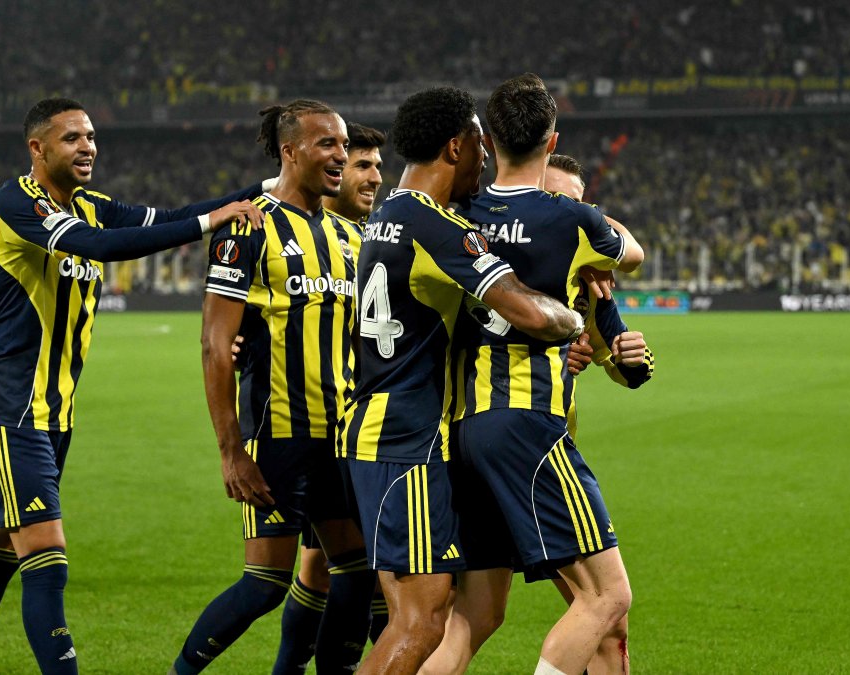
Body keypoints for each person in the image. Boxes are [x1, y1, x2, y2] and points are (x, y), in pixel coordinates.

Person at [0, 97, 268, 675]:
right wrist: (213, 222)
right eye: (72, 138)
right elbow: (97, 247)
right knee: (46, 556)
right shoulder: (16, 203)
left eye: (90, 137)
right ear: (37, 148)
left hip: (55, 411)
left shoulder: (92, 204)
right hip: (10, 405)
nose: (88, 147)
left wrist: (264, 189)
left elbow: (169, 216)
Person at [339, 85, 583, 675]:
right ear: (455, 146)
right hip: (404, 436)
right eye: (479, 144)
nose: (486, 158)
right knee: (421, 618)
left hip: (382, 428)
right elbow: (529, 313)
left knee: (429, 609)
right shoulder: (435, 225)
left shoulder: (389, 215)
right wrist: (575, 316)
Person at [429, 74, 642, 675]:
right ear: (553, 143)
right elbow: (634, 253)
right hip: (527, 426)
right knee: (607, 596)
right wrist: (590, 222)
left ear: (488, 140)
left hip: (463, 431)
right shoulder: (571, 220)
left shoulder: (453, 215)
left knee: (474, 615)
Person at [174, 99, 373, 675]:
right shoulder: (248, 226)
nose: (341, 156)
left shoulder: (348, 235)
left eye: (343, 145)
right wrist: (231, 450)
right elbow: (216, 343)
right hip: (278, 434)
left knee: (356, 578)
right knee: (264, 583)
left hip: (341, 442)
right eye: (327, 145)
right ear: (290, 151)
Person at [271, 120, 388, 675]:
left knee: (324, 567)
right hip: (313, 429)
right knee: (358, 569)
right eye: (361, 165)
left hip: (353, 427)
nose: (372, 177)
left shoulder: (369, 241)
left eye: (373, 166)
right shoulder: (292, 237)